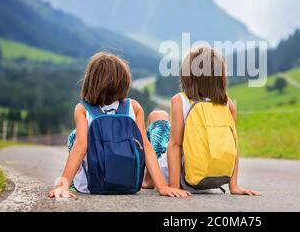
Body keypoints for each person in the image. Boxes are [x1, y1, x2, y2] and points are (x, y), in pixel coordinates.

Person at [48, 52, 191, 198]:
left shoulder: (83, 109)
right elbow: (146, 147)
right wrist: (162, 187)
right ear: (124, 83)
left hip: (89, 186)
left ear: (91, 82)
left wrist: (62, 186)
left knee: (75, 136)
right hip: (128, 184)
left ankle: (70, 183)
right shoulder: (134, 107)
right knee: (143, 141)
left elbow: (80, 146)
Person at [145, 46, 261, 196]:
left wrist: (174, 186)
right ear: (220, 78)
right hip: (207, 180)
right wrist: (234, 186)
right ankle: (153, 180)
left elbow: (175, 145)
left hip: (180, 178)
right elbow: (233, 146)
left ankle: (149, 181)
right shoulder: (227, 104)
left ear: (188, 75)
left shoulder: (180, 100)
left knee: (158, 115)